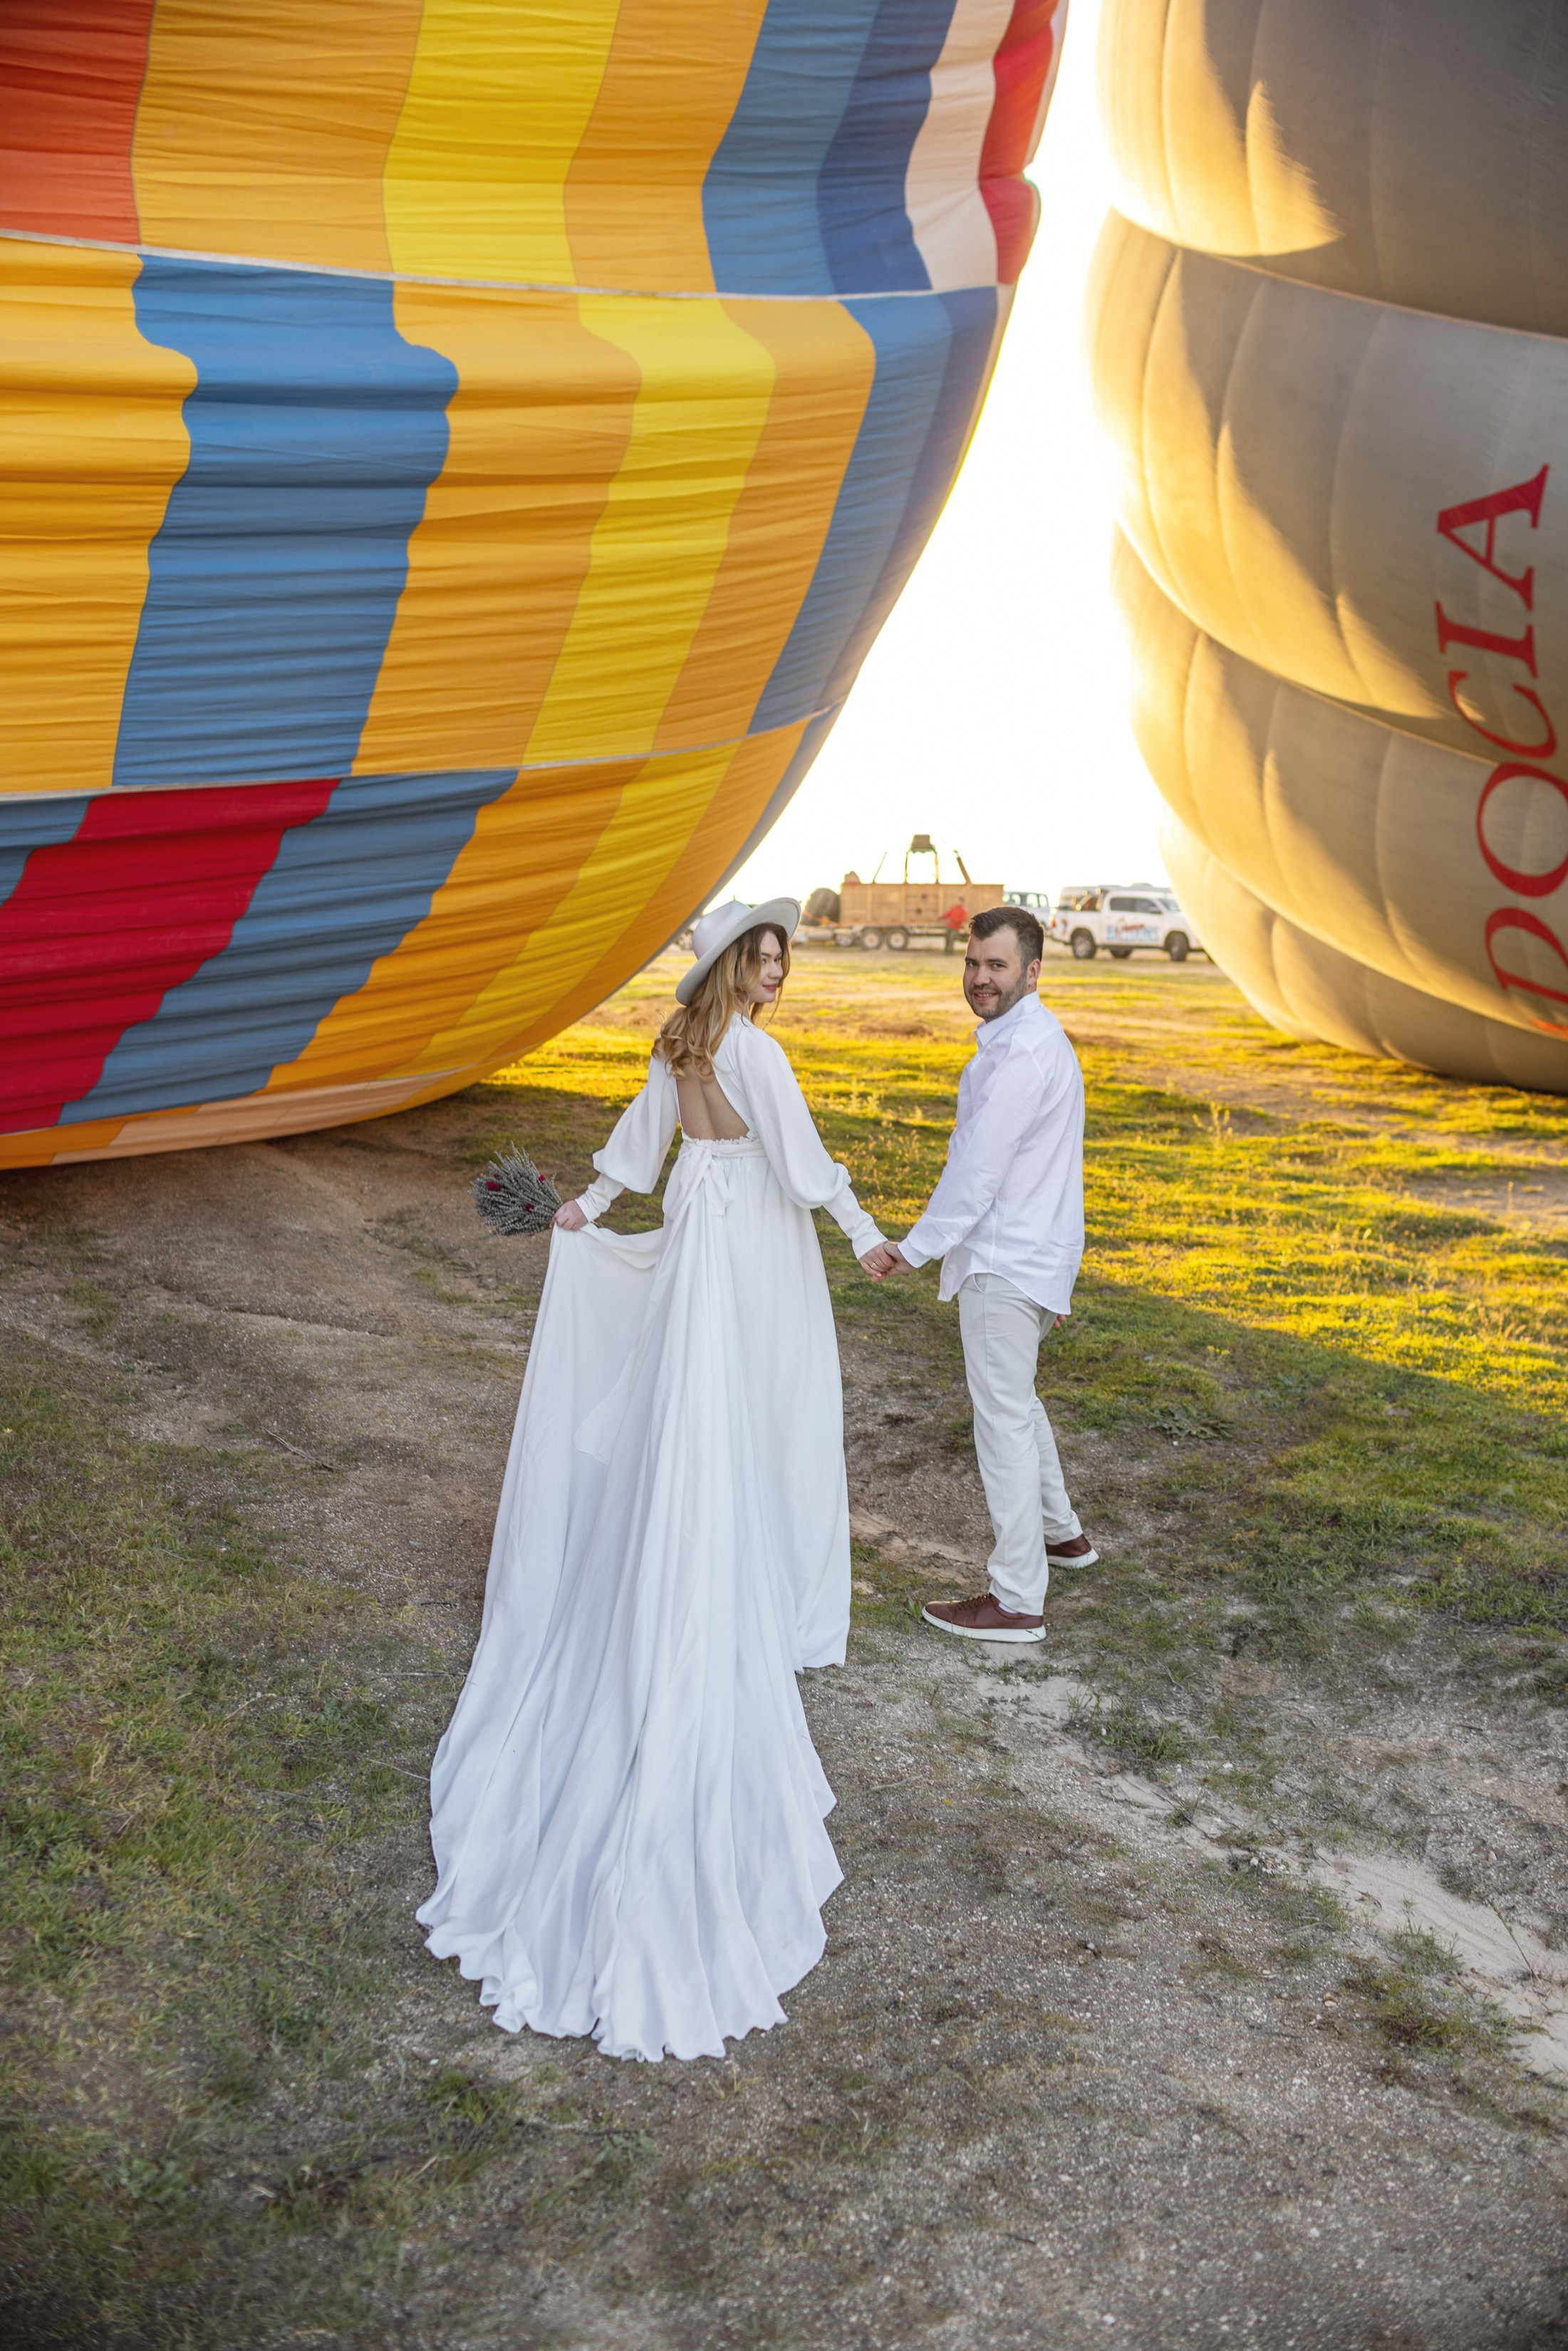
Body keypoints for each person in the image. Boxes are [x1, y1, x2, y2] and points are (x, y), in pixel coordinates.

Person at [417, 901, 888, 2061]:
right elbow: (804, 1167)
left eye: (781, 961)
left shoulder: (677, 1051)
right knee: (762, 1409)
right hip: (752, 1250)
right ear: (733, 965)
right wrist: (866, 1232)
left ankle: (703, 1554)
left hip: (697, 1244)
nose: (776, 976)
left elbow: (634, 1153)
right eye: (763, 960)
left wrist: (579, 1209)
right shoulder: (757, 1055)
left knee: (692, 1410)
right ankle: (746, 1581)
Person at [864, 905, 1095, 1642]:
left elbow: (976, 1175)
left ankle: (1016, 1601)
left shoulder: (1023, 1054)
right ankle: (1062, 1537)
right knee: (1017, 1404)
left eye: (996, 965)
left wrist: (913, 1248)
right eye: (972, 963)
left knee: (1001, 1424)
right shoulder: (1030, 1040)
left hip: (1007, 1261)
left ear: (1033, 971)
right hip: (1030, 1255)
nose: (979, 978)